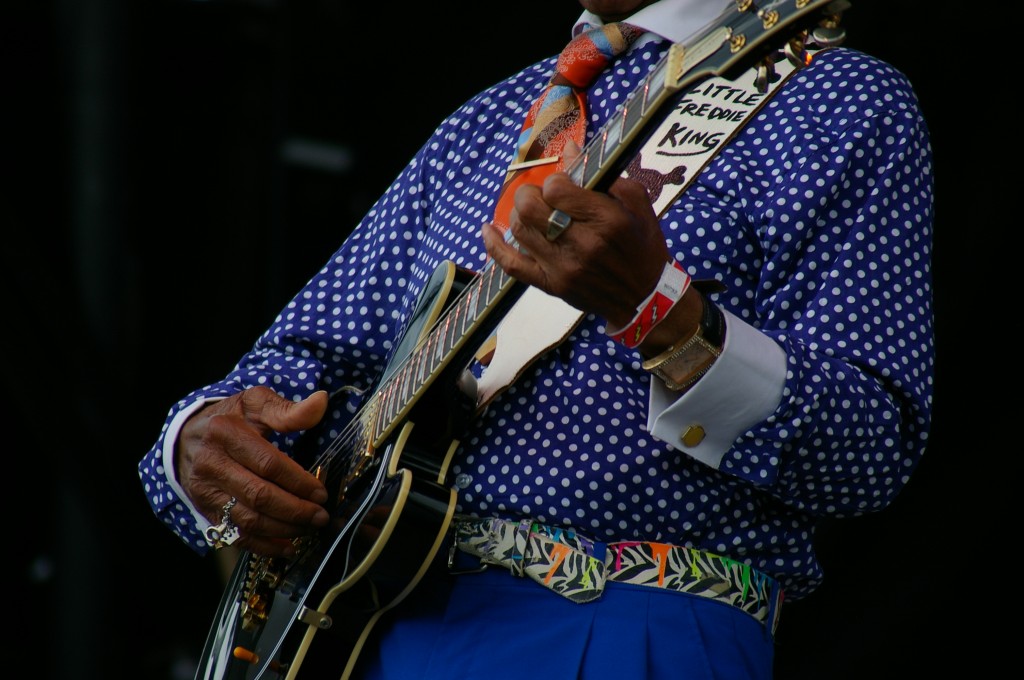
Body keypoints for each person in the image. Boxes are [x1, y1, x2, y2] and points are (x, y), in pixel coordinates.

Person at [138, 0, 934, 677]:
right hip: (370, 629)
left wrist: (660, 315)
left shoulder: (841, 99)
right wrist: (197, 443)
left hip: (625, 626)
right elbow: (297, 360)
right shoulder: (485, 119)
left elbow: (864, 456)